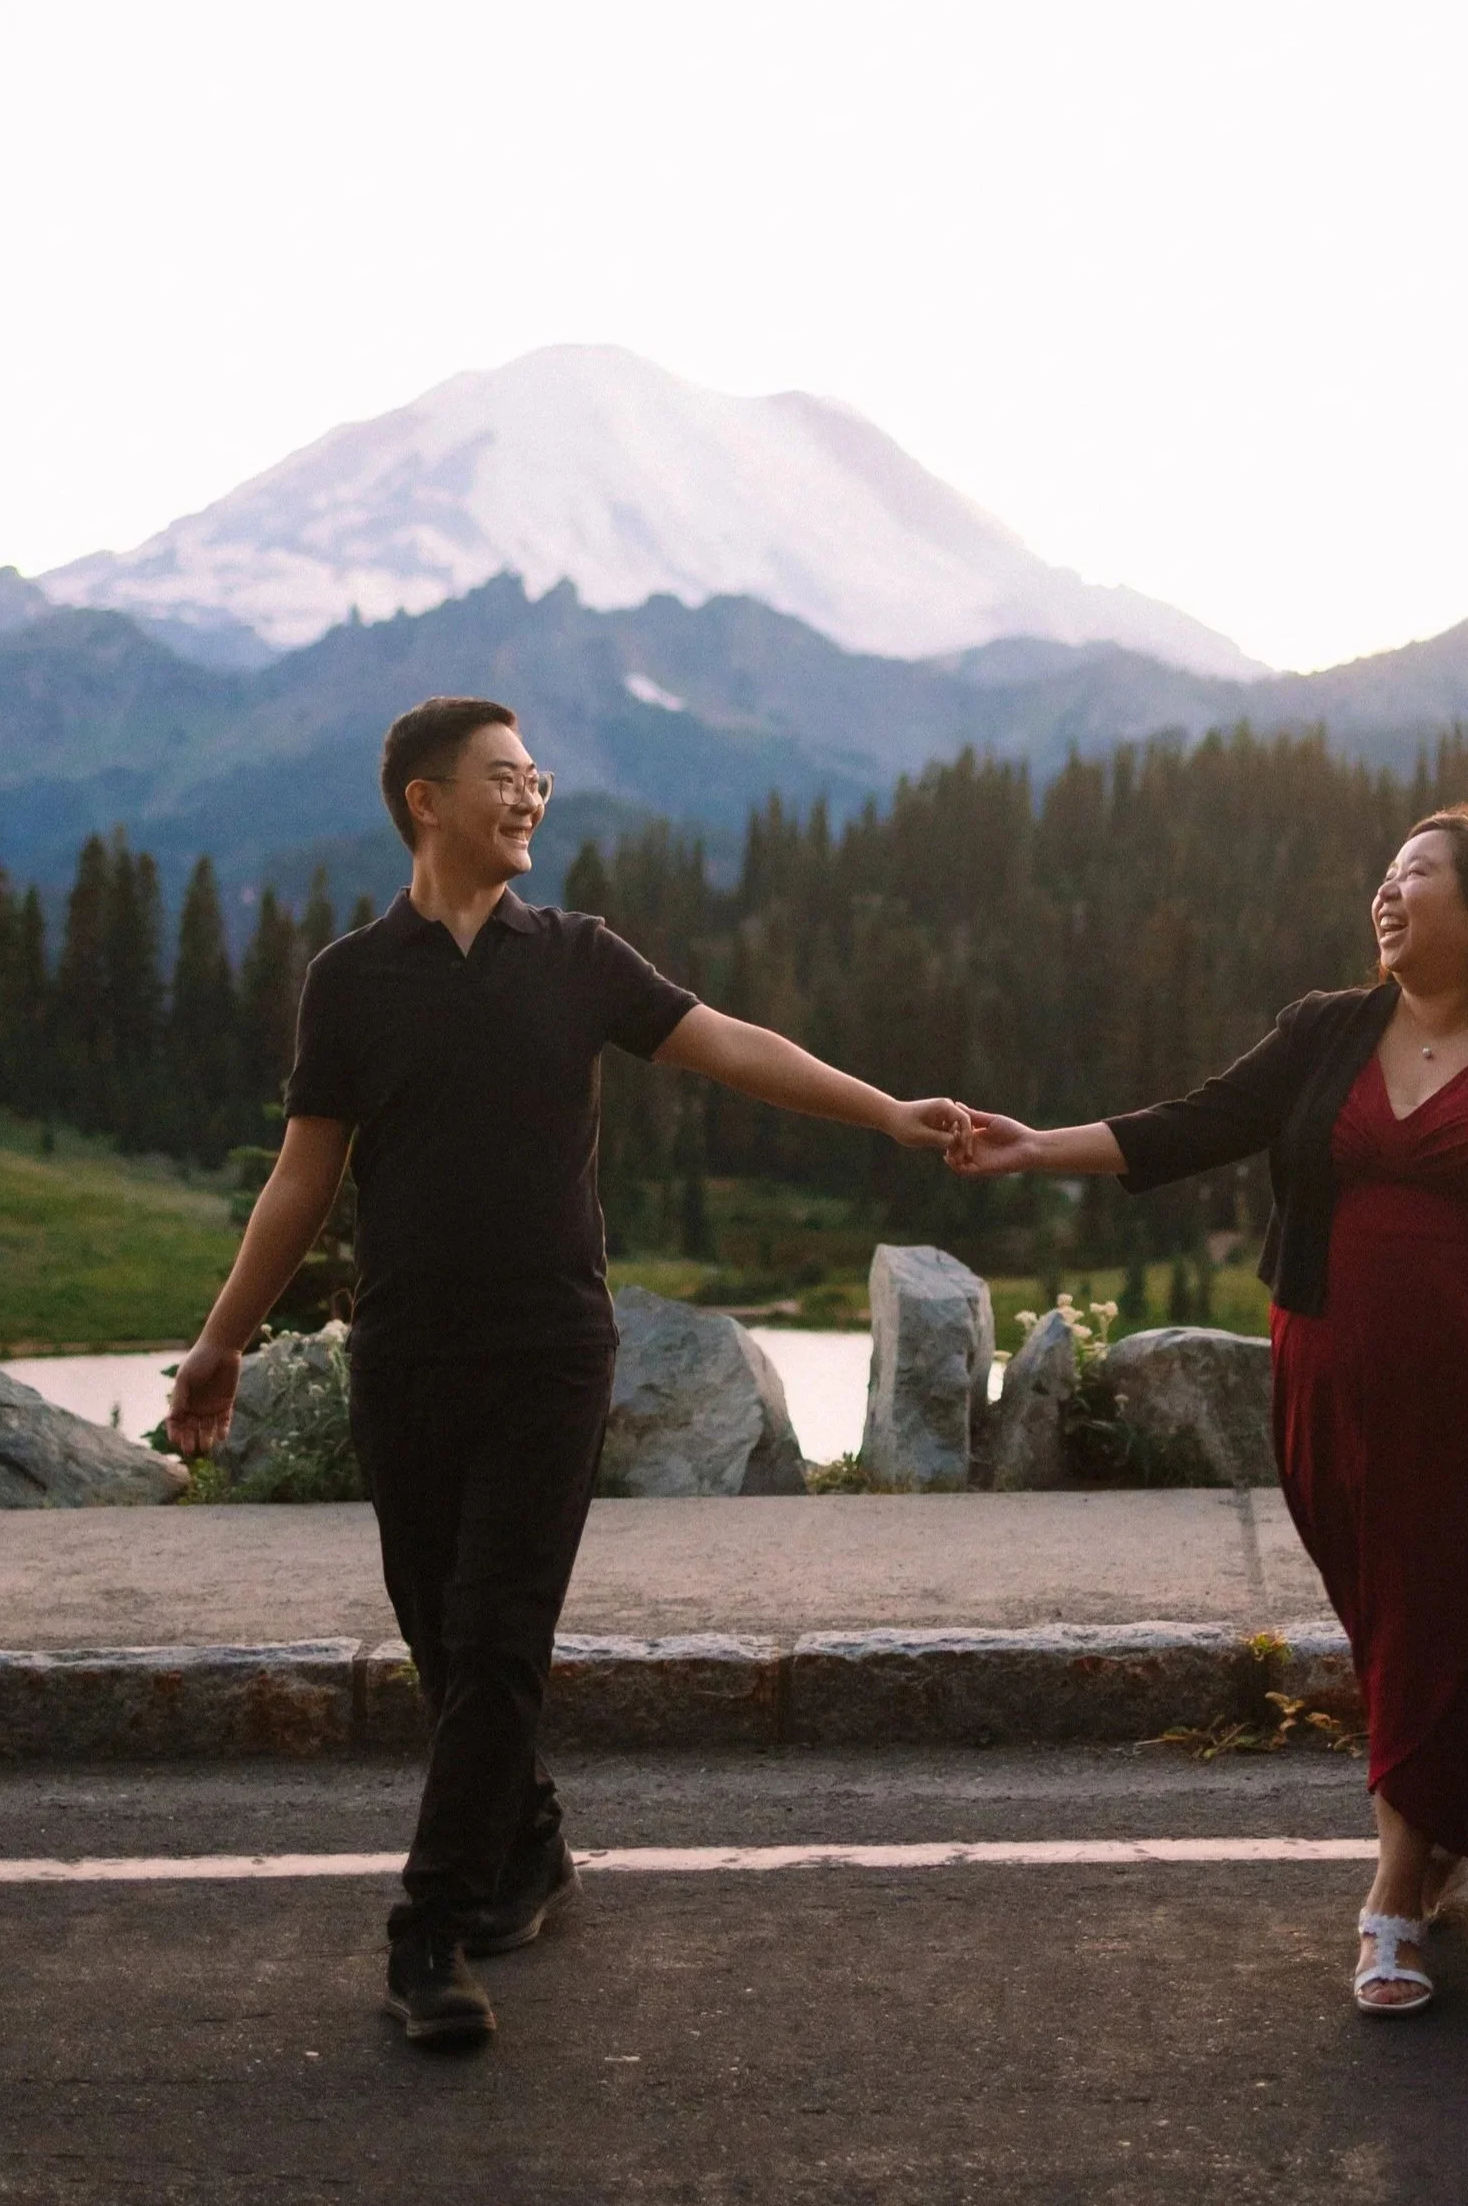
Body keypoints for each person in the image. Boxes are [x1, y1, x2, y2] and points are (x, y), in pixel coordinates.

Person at [165, 696, 969, 2047]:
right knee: (444, 1641)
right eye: (504, 777)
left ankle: (429, 1935)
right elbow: (305, 1180)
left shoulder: (579, 957)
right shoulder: (352, 981)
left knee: (497, 1638)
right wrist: (219, 1341)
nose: (532, 795)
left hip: (551, 1354)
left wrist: (886, 1110)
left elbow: (733, 1046)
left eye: (538, 777)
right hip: (406, 1357)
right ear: (426, 802)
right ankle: (529, 1844)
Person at [947, 803, 1468, 2013]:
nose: (1387, 895)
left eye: (1418, 875)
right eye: (1383, 877)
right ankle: (1425, 1841)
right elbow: (1194, 1124)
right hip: (1341, 1393)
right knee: (1405, 1626)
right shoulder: (1327, 1031)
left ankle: (1394, 1894)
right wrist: (1030, 1150)